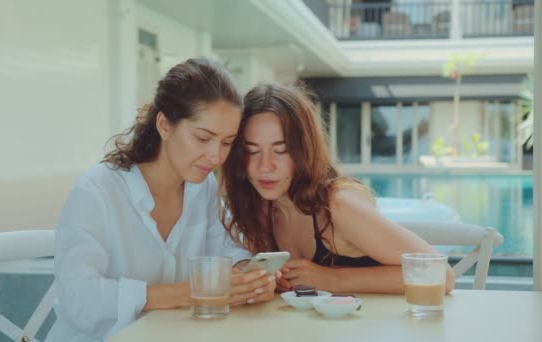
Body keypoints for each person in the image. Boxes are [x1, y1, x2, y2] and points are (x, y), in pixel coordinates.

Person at [46, 58, 276, 342]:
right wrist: (191, 291)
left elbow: (229, 248)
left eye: (227, 142)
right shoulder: (97, 192)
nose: (216, 156)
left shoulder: (202, 188)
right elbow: (77, 299)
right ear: (164, 125)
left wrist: (247, 277)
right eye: (203, 138)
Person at [221, 82, 455, 294]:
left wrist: (331, 279)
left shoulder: (337, 206)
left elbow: (440, 275)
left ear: (304, 150)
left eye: (280, 150)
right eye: (252, 151)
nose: (265, 167)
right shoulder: (259, 208)